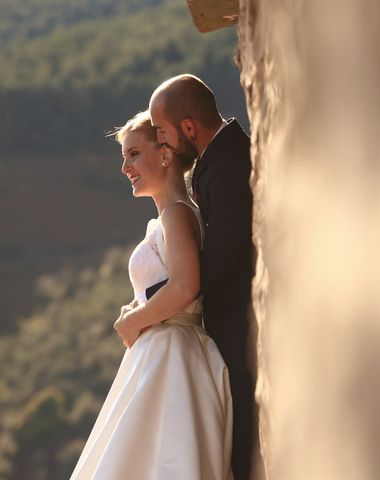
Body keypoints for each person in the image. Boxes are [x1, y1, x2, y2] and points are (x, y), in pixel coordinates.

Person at [71, 111, 233, 480]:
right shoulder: (170, 216)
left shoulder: (177, 214)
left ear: (164, 154)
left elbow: (185, 287)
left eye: (134, 154)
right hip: (159, 354)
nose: (125, 167)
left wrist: (132, 321)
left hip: (172, 357)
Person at [148, 74, 258, 480]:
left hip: (242, 330)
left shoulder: (228, 165)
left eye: (163, 133)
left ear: (189, 128)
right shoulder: (218, 161)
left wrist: (162, 299)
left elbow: (223, 256)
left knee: (244, 448)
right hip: (229, 332)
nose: (163, 144)